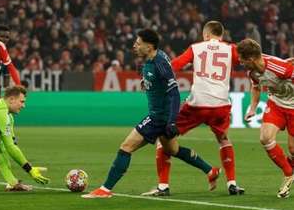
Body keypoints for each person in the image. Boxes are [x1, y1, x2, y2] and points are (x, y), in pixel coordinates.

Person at [82, 28, 220, 198]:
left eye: (138, 43)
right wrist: (146, 81)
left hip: (158, 117)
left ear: (149, 46)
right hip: (162, 116)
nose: (134, 46)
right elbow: (158, 81)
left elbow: (174, 92)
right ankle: (210, 170)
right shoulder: (151, 59)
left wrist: (170, 121)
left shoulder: (159, 62)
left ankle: (105, 189)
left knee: (126, 147)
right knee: (173, 150)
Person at [142, 21, 244, 197]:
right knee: (224, 140)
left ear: (205, 35)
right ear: (221, 35)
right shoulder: (231, 49)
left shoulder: (196, 48)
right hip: (221, 105)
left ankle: (163, 186)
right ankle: (232, 184)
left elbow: (173, 66)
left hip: (197, 105)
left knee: (164, 137)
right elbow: (248, 60)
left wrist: (151, 78)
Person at [237, 38, 294, 198]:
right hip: (276, 104)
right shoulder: (252, 72)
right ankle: (288, 173)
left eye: (241, 59)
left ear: (251, 59)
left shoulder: (279, 68)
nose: (240, 62)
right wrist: (253, 108)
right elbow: (256, 87)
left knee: (292, 150)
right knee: (265, 137)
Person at [0, 85, 50, 191]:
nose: (24, 106)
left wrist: (13, 183)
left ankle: (13, 183)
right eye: (21, 101)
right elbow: (11, 147)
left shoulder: (9, 117)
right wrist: (30, 170)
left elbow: (4, 152)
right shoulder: (0, 111)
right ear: (11, 99)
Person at [0, 21, 21, 169]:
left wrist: (16, 88)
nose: (5, 39)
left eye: (7, 37)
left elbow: (9, 70)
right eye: (2, 36)